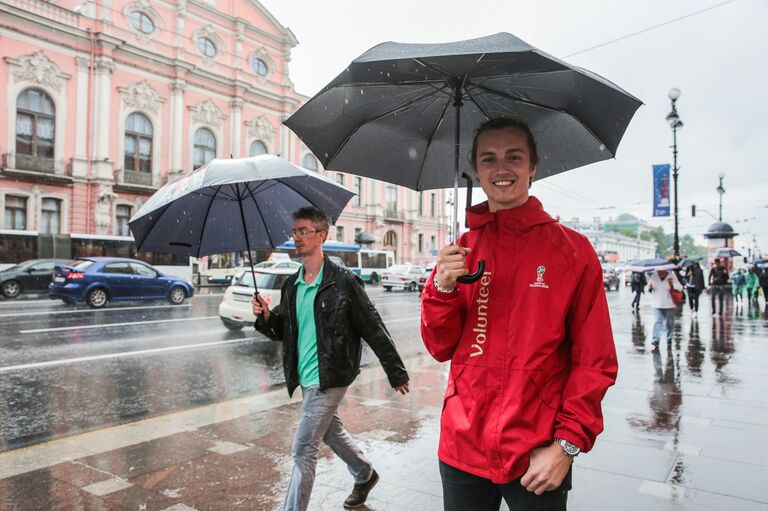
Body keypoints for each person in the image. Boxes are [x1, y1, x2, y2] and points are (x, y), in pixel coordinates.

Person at [420, 117, 618, 511]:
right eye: (488, 159)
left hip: (537, 451)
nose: (501, 168)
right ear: (476, 170)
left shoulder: (572, 251)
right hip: (462, 447)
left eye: (514, 156)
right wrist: (442, 286)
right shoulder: (460, 251)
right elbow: (440, 347)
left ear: (533, 166)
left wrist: (566, 445)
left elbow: (595, 361)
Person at [252, 206, 410, 511]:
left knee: (302, 451)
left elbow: (373, 327)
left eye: (303, 231)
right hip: (306, 376)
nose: (295, 237)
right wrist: (265, 316)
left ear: (321, 235)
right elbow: (284, 332)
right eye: (294, 231)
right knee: (331, 432)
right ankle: (364, 473)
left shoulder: (344, 282)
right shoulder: (292, 285)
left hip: (332, 375)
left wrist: (396, 371)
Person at [648, 269, 683, 350]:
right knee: (658, 321)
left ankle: (669, 337)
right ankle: (656, 339)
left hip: (669, 304)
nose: (660, 272)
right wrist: (650, 288)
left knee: (669, 322)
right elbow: (648, 288)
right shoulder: (653, 277)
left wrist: (672, 284)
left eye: (662, 271)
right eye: (659, 271)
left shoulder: (671, 276)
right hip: (656, 304)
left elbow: (680, 288)